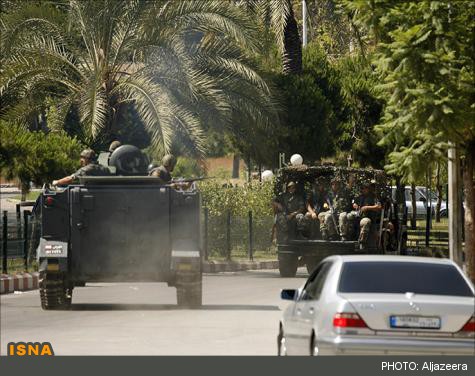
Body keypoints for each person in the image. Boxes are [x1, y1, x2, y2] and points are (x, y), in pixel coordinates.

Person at [353, 180, 382, 249]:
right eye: (362, 188)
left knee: (365, 222)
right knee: (348, 216)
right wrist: (355, 205)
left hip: (368, 217)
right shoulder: (360, 196)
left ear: (368, 189)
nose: (363, 190)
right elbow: (354, 203)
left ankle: (361, 242)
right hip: (359, 215)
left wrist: (367, 207)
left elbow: (379, 207)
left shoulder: (374, 197)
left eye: (365, 188)